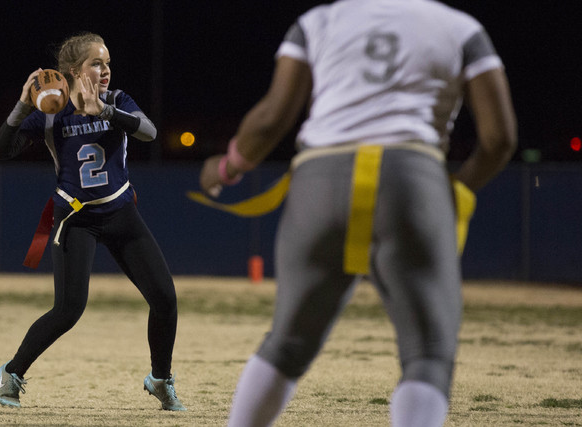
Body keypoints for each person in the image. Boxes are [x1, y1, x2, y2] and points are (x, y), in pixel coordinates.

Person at [199, 0, 516, 425]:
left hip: (321, 176)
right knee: (427, 355)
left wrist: (226, 167)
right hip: (410, 174)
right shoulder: (461, 27)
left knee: (287, 344)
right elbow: (500, 139)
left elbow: (270, 120)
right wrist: (453, 192)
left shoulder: (318, 21)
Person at [0, 32, 185, 411]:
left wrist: (106, 112)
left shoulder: (117, 101)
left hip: (120, 213)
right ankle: (11, 372)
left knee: (165, 299)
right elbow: (1, 151)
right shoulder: (51, 113)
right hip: (75, 218)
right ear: (71, 72)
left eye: (108, 63)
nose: (106, 70)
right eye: (96, 63)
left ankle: (160, 380)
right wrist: (20, 105)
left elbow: (149, 132)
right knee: (68, 310)